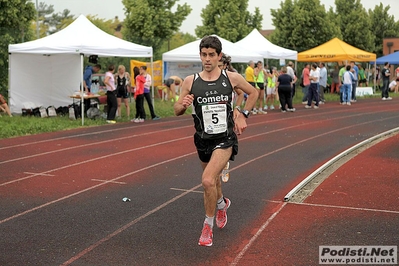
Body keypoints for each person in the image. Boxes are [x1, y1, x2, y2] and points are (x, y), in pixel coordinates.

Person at [174, 35, 258, 247]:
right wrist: (183, 104)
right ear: (200, 56)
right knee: (215, 181)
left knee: (208, 180)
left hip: (225, 139)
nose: (208, 59)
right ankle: (222, 204)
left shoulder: (231, 78)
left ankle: (207, 226)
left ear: (219, 56)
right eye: (204, 55)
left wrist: (242, 114)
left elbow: (253, 92)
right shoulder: (190, 81)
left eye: (212, 55)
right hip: (202, 140)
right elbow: (176, 110)